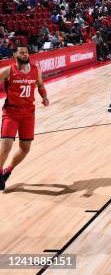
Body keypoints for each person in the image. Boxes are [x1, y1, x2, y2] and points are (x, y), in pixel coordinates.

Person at [0, 45, 49, 191]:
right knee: (6, 146)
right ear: (14, 55)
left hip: (28, 114)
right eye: (21, 52)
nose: (25, 54)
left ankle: (7, 171)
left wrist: (44, 96)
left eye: (26, 52)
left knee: (25, 148)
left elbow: (40, 84)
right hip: (11, 113)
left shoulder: (36, 70)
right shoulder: (8, 71)